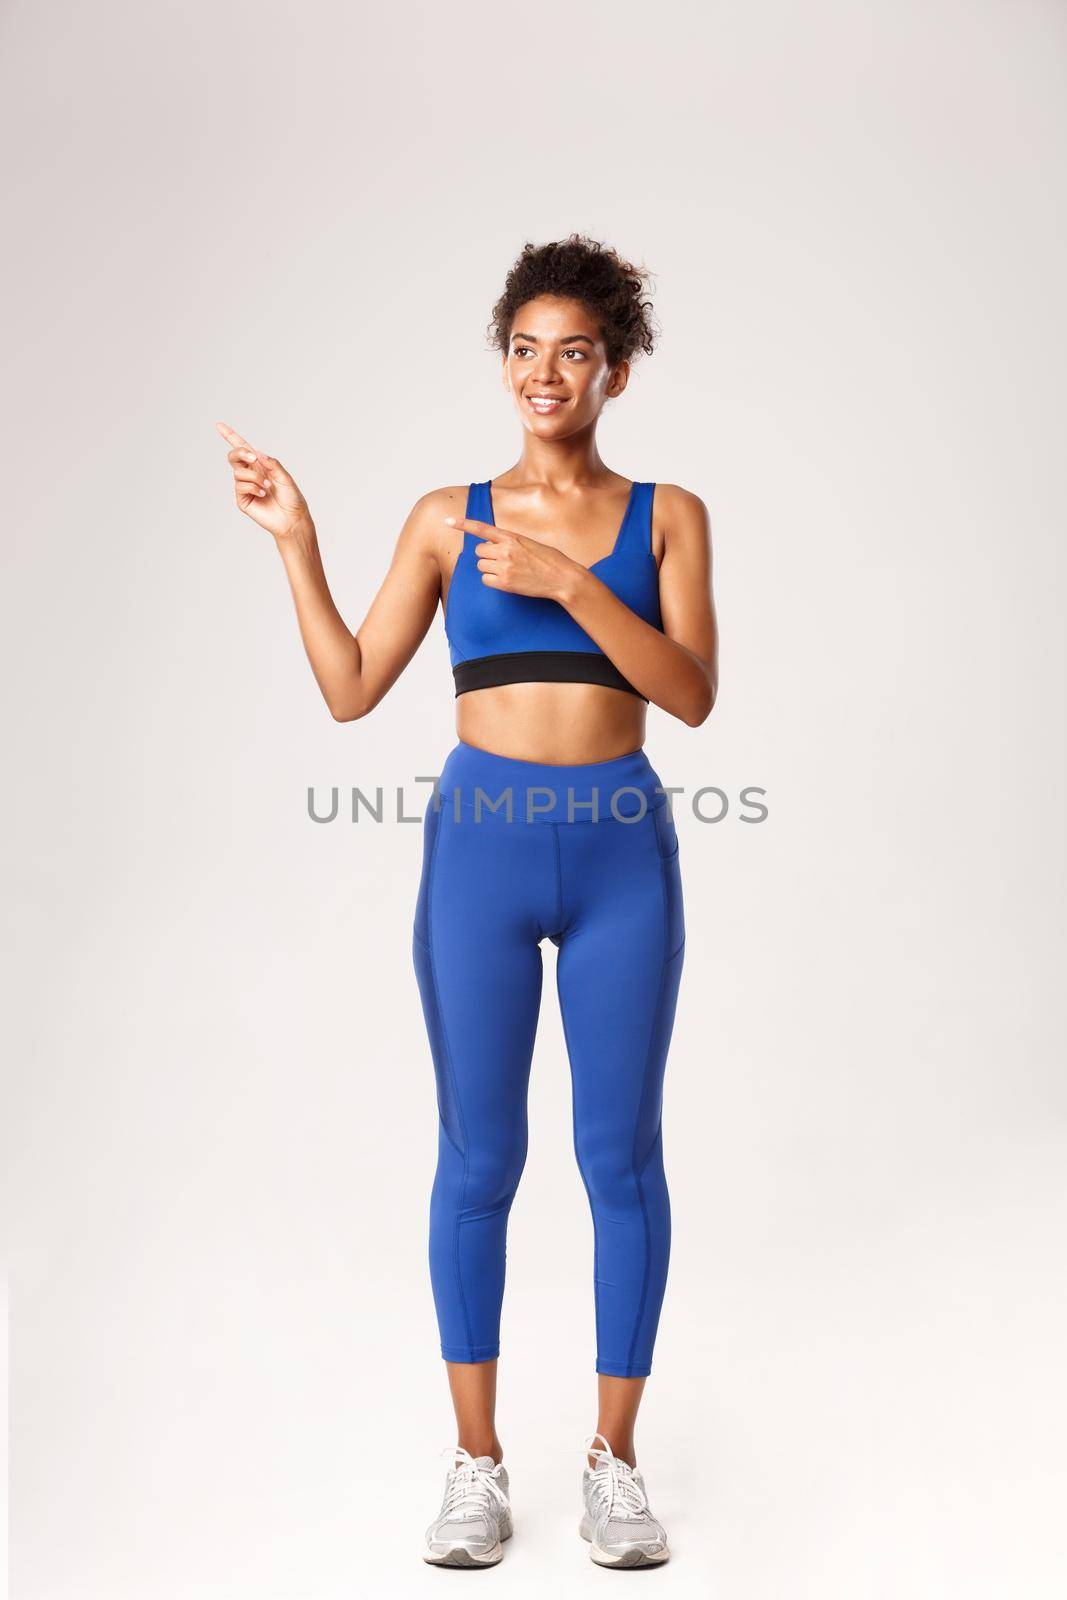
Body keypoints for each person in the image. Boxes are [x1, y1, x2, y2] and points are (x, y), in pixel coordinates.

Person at [215, 233, 718, 1569]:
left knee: (618, 1159)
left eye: (573, 351)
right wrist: (299, 541)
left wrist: (565, 586)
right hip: (482, 850)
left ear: (616, 368)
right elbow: (349, 684)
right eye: (523, 348)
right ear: (503, 363)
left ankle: (615, 1464)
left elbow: (689, 691)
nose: (544, 371)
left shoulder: (667, 516)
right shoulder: (448, 517)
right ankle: (477, 1466)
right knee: (480, 1162)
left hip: (621, 850)